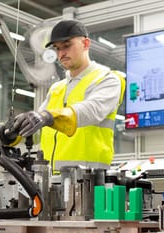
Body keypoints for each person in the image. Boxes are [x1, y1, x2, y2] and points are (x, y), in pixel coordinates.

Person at [10, 19, 125, 171]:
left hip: (89, 181)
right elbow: (38, 129)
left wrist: (47, 116)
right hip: (50, 181)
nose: (61, 53)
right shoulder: (57, 88)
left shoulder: (107, 79)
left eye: (66, 46)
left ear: (85, 44)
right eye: (57, 48)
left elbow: (92, 110)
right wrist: (11, 133)